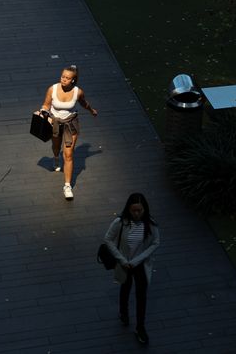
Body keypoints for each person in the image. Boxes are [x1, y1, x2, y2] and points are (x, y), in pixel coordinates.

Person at [103, 193, 161, 345]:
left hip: (140, 264)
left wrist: (137, 260)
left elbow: (156, 242)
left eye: (139, 211)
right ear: (128, 209)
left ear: (144, 209)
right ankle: (124, 313)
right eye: (134, 210)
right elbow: (108, 239)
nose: (137, 214)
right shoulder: (120, 223)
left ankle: (140, 327)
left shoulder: (151, 224)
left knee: (141, 296)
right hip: (125, 264)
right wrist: (122, 260)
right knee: (125, 287)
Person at [37, 65, 97, 199]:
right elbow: (46, 104)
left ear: (73, 80)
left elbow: (84, 103)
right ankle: (56, 158)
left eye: (67, 78)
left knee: (69, 154)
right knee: (56, 147)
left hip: (71, 123)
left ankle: (67, 186)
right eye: (62, 76)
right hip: (55, 122)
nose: (64, 79)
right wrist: (43, 111)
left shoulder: (78, 92)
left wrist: (91, 110)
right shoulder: (52, 89)